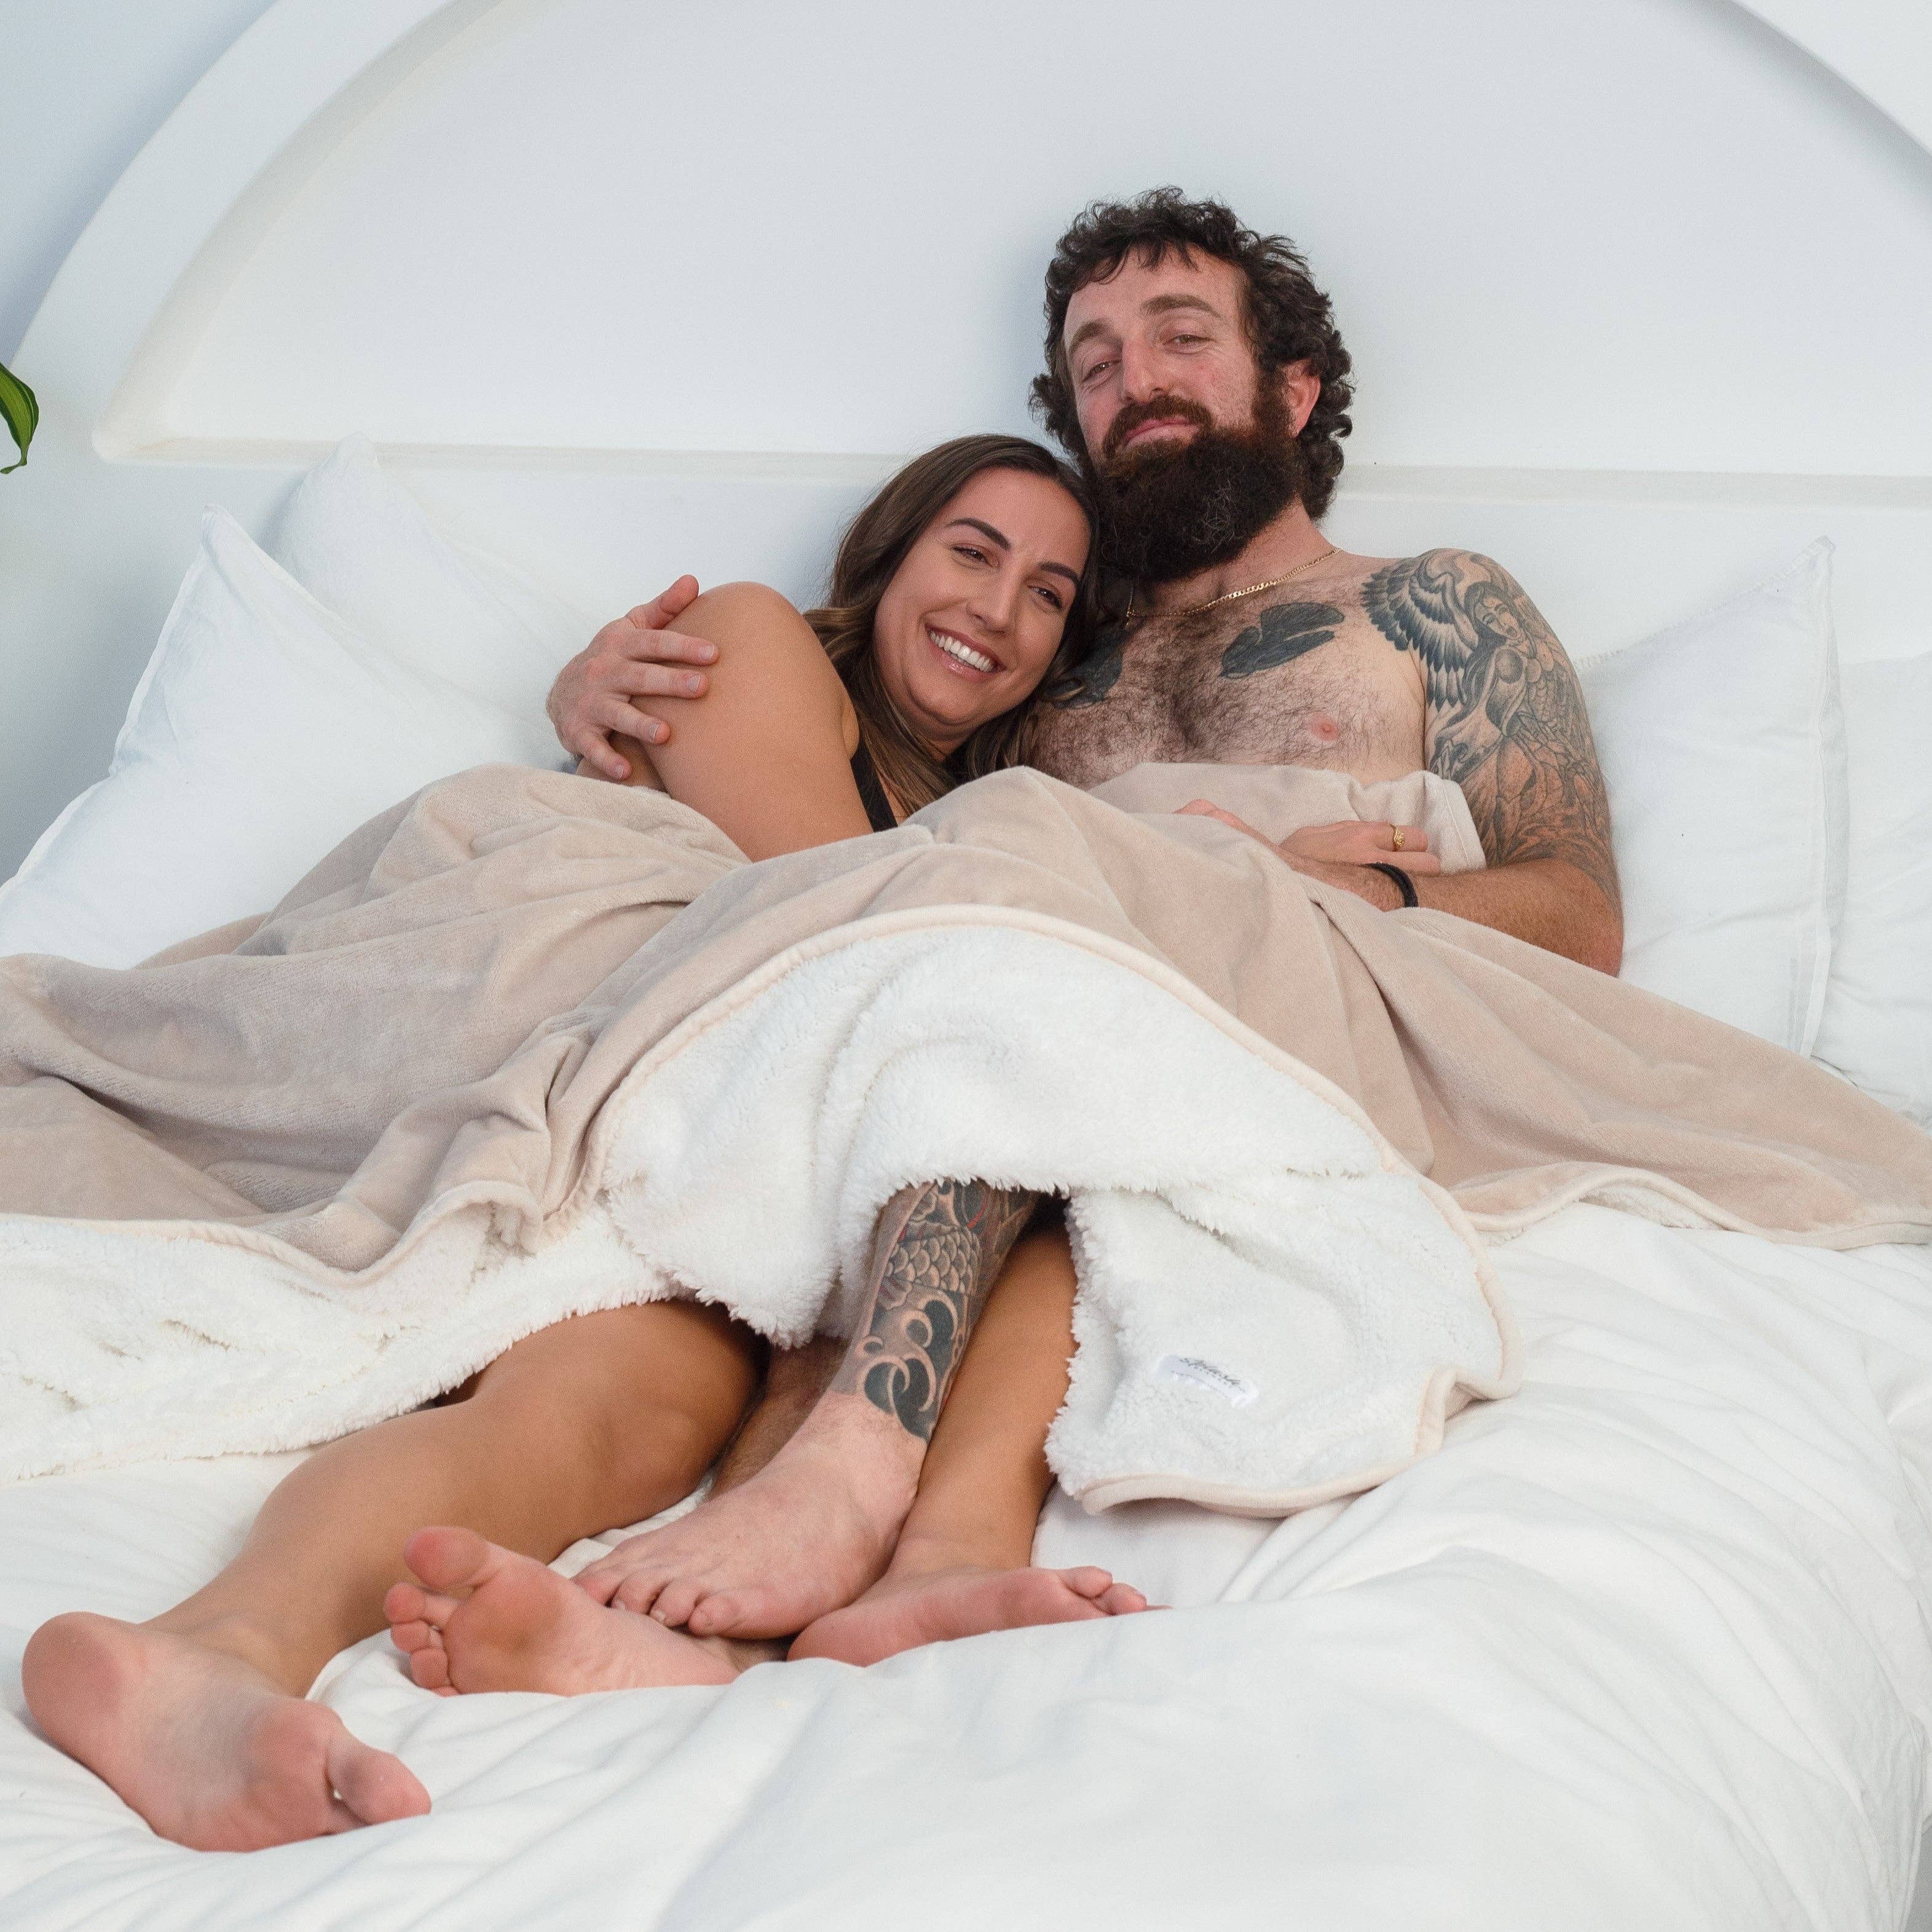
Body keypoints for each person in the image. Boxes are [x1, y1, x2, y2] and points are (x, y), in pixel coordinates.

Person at [527, 187, 1624, 1667]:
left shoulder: (1435, 605)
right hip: (1045, 1051)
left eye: (1180, 337)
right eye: (1094, 363)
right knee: (932, 1078)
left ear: (1294, 390)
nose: (1134, 382)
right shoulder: (1035, 661)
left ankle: (866, 1505)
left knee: (1016, 1022)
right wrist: (603, 699)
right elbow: (854, 852)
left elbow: (1578, 916)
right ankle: (754, 1596)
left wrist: (1303, 888)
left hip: (1301, 1026)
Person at [22, 434, 1147, 1855]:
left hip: (690, 1158)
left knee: (627, 1414)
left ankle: (212, 1653)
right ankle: (232, 1643)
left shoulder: (968, 831)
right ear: (888, 558)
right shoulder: (744, 637)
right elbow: (842, 922)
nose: (999, 607)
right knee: (1000, 1058)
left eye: (1048, 593)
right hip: (555, 1005)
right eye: (972, 553)